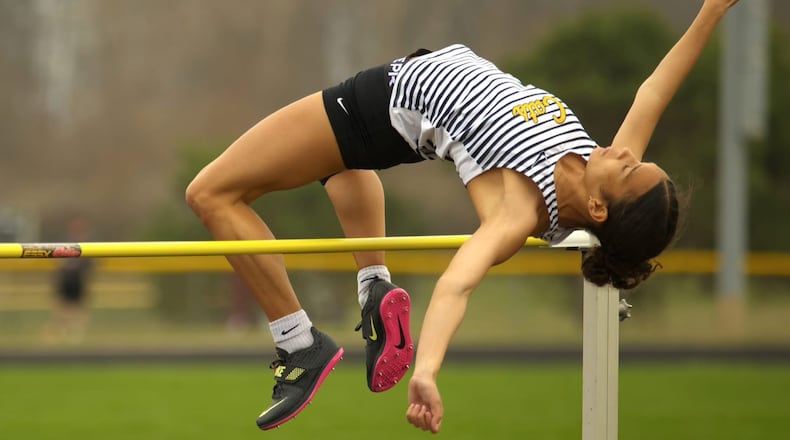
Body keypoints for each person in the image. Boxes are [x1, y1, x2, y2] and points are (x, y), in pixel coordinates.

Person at [185, 0, 739, 432]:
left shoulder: (517, 211)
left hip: (385, 103)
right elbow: (654, 93)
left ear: (599, 207)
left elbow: (457, 284)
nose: (623, 153)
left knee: (211, 193)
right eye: (632, 157)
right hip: (411, 92)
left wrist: (425, 371)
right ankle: (375, 287)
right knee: (335, 166)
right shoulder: (596, 163)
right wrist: (712, 11)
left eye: (625, 168)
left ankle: (297, 343)